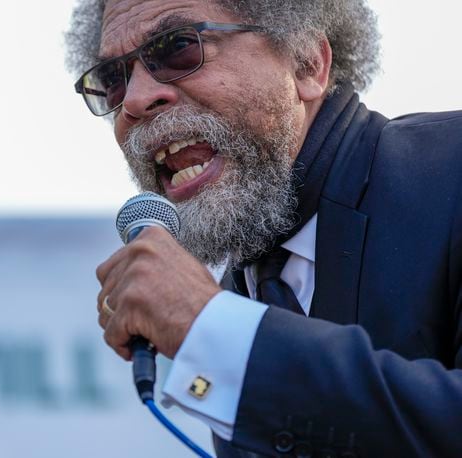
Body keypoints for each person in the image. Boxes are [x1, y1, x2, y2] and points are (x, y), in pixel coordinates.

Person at [66, 0, 462, 456]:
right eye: (113, 81)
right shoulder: (239, 295)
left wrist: (213, 327)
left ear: (306, 62)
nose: (134, 101)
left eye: (178, 47)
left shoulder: (453, 171)